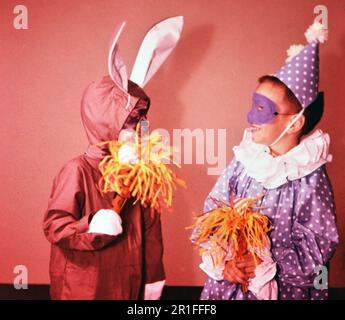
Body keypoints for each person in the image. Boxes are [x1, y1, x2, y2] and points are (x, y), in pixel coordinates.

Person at [193, 22, 339, 300]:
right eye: (253, 106)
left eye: (263, 109)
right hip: (230, 286)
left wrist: (268, 265)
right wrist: (225, 263)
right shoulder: (244, 162)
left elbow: (320, 246)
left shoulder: (309, 179)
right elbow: (212, 214)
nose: (251, 117)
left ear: (295, 123)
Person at [43, 17, 183, 300]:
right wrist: (90, 223)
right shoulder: (77, 171)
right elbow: (55, 225)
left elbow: (152, 235)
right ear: (105, 121)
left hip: (129, 287)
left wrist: (153, 278)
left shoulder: (143, 177)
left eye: (141, 121)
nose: (140, 129)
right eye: (131, 121)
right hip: (83, 289)